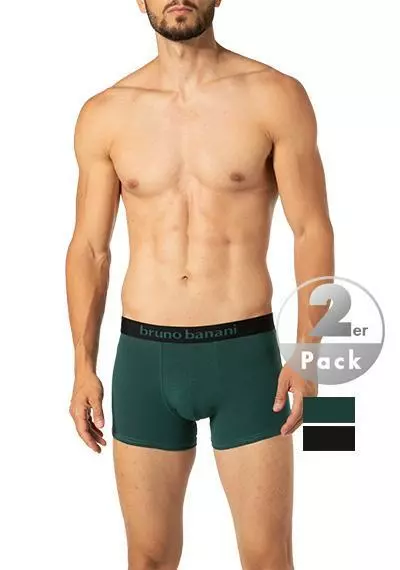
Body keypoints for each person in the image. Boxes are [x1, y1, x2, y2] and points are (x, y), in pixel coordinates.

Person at [65, 1, 334, 569]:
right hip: (145, 359)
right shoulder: (106, 112)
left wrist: (310, 352)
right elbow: (90, 248)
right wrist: (82, 366)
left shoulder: (274, 96)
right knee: (148, 558)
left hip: (247, 359)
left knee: (268, 558)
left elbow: (311, 229)